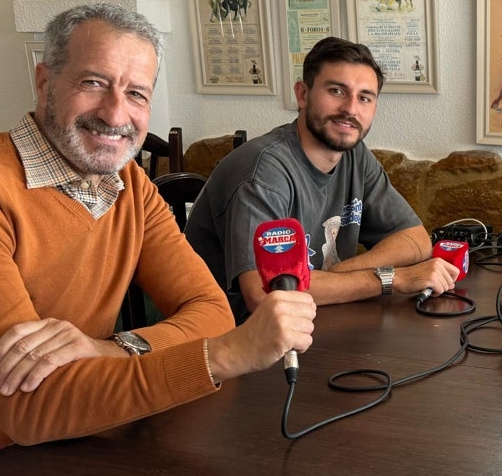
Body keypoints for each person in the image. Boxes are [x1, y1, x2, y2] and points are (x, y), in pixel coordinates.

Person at [0, 3, 316, 473]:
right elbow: (29, 407)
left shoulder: (131, 187)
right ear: (44, 82)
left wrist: (109, 349)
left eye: (137, 93)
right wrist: (228, 355)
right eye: (93, 82)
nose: (116, 112)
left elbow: (211, 312)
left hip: (79, 438)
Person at [185, 36, 457, 323]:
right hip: (228, 341)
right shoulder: (263, 173)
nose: (351, 109)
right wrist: (390, 278)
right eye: (337, 91)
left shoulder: (354, 155)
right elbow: (265, 294)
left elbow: (414, 240)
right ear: (302, 94)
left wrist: (333, 276)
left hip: (308, 325)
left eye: (364, 97)